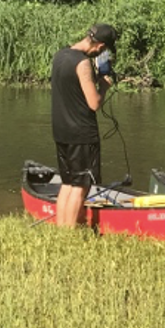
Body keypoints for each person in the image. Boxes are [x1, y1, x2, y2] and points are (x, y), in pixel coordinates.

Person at [51, 23, 117, 227]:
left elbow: (72, 86)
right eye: (104, 50)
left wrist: (93, 78)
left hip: (61, 130)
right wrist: (104, 87)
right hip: (81, 133)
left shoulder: (61, 55)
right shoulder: (83, 64)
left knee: (68, 182)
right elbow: (94, 103)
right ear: (100, 47)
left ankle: (61, 228)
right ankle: (69, 234)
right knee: (81, 185)